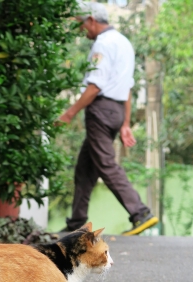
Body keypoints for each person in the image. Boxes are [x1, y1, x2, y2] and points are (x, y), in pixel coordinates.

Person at [59, 1, 158, 236]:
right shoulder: (124, 42)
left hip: (101, 110)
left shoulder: (102, 45)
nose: (81, 31)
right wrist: (125, 123)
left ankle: (141, 213)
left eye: (80, 25)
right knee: (85, 168)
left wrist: (69, 113)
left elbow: (95, 86)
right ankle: (76, 224)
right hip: (116, 110)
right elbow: (128, 88)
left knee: (105, 164)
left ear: (91, 20)